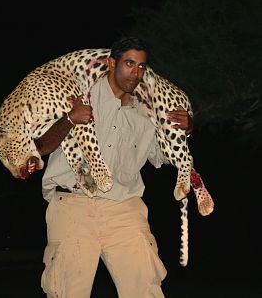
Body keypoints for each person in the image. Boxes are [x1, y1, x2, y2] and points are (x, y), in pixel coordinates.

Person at [35, 36, 192, 298]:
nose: (136, 72)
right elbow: (41, 147)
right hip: (74, 206)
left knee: (145, 289)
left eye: (142, 66)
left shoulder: (146, 113)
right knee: (67, 292)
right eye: (129, 63)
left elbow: (161, 157)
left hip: (124, 208)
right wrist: (69, 120)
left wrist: (184, 131)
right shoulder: (77, 94)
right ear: (111, 63)